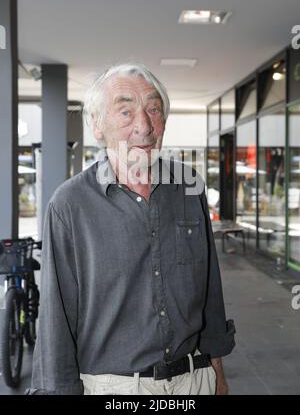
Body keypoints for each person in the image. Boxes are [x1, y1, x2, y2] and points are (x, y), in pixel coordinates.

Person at [28, 63, 235, 395]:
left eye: (154, 109)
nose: (144, 126)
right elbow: (55, 320)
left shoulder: (188, 188)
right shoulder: (69, 204)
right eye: (125, 112)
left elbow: (210, 290)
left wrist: (217, 374)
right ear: (97, 125)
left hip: (193, 382)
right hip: (114, 389)